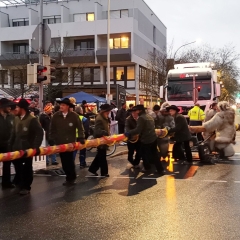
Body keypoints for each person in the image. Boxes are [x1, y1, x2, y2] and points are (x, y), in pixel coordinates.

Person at [9, 99, 43, 195]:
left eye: (18, 107)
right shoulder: (16, 118)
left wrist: (35, 147)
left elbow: (39, 133)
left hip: (27, 149)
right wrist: (10, 145)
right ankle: (20, 183)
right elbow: (13, 133)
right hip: (16, 148)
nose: (16, 109)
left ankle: (26, 186)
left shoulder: (31, 120)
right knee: (18, 167)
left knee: (27, 168)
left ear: (22, 108)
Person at [50, 98, 85, 186]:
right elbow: (52, 129)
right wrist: (52, 138)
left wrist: (81, 137)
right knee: (64, 161)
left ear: (68, 106)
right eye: (60, 105)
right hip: (60, 142)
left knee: (69, 160)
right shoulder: (56, 116)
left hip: (70, 142)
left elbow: (80, 127)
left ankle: (71, 178)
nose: (61, 106)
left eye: (63, 105)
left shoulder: (74, 116)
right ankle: (68, 177)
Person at [125, 105, 165, 174]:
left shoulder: (141, 118)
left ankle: (147, 168)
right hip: (153, 138)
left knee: (143, 153)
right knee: (154, 154)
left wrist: (129, 132)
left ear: (140, 110)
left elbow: (138, 129)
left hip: (146, 139)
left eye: (136, 110)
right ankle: (160, 169)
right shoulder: (149, 117)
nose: (136, 112)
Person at [88, 104, 112, 177]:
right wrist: (104, 132)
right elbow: (97, 131)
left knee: (100, 156)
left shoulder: (104, 117)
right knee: (102, 157)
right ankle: (104, 172)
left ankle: (93, 169)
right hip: (101, 141)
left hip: (104, 141)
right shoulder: (99, 118)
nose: (109, 112)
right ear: (104, 111)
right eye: (108, 111)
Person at [0, 98, 16, 189]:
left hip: (8, 144)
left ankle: (6, 183)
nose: (10, 107)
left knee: (7, 164)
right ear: (2, 106)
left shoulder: (11, 116)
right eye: (8, 106)